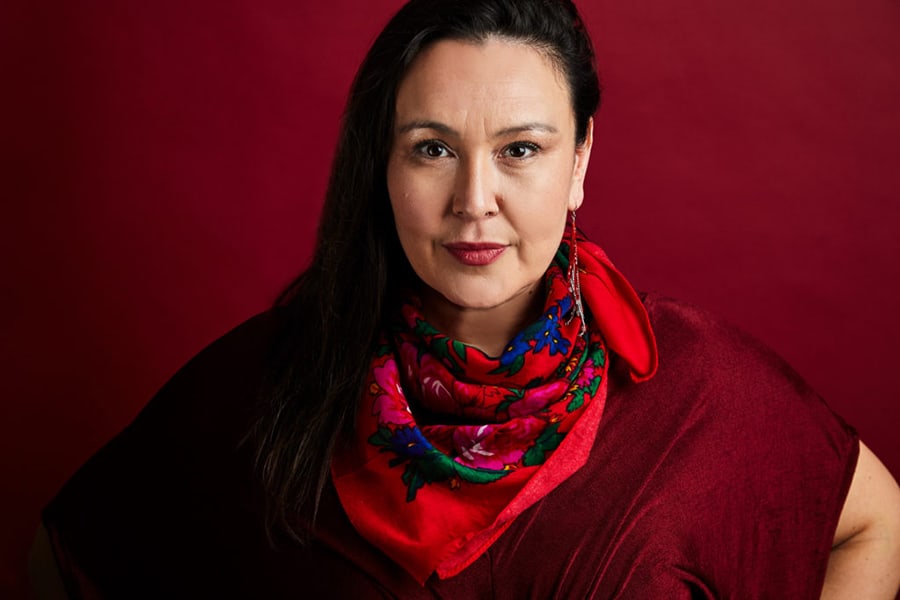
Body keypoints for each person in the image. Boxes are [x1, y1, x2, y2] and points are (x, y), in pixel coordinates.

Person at [29, 0, 900, 597]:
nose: (475, 199)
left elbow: (875, 525)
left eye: (521, 150)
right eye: (433, 149)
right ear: (384, 163)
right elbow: (61, 558)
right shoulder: (266, 385)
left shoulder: (706, 397)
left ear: (581, 163)